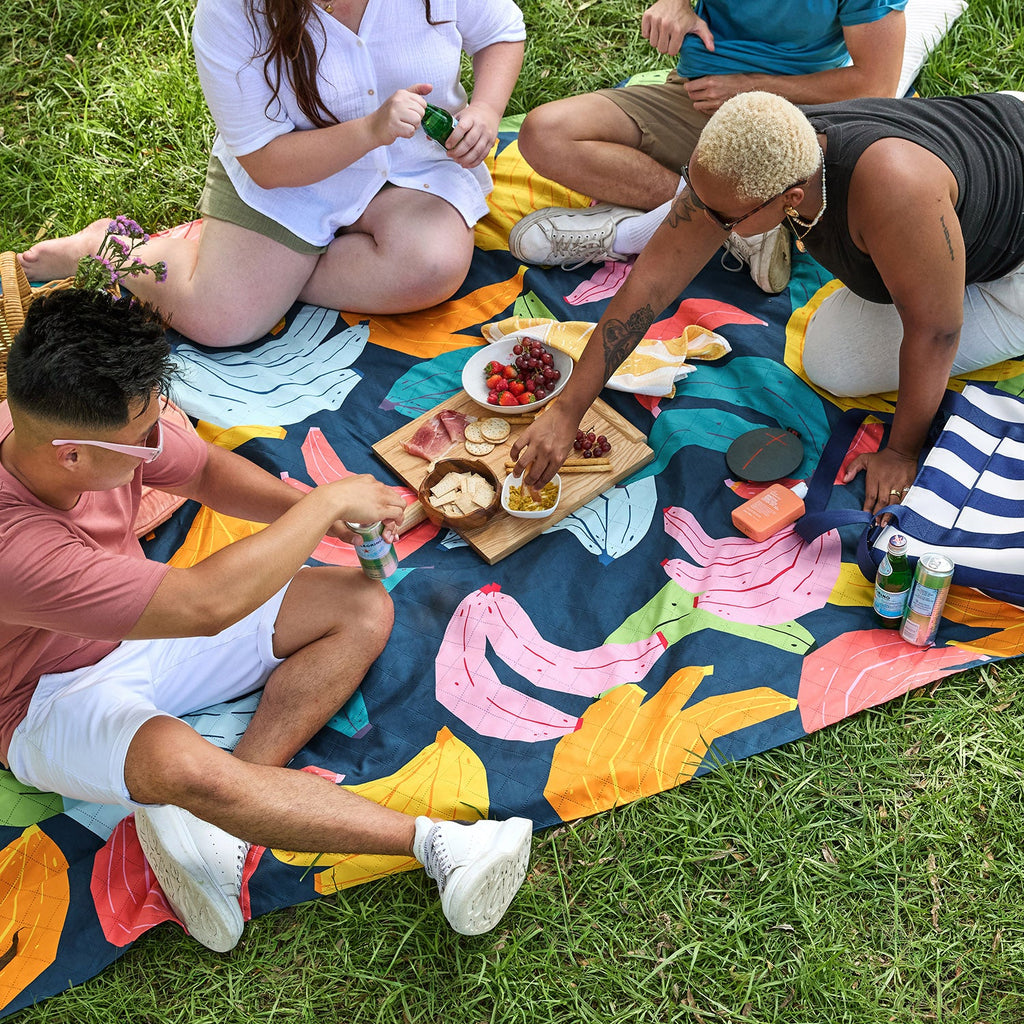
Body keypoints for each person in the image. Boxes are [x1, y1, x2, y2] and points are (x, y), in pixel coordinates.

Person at [0, 288, 532, 952]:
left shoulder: (77, 420)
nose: (157, 445)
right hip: (46, 697)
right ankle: (440, 846)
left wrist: (316, 515)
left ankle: (216, 821)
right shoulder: (14, 548)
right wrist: (322, 505)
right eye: (142, 441)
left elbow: (202, 473)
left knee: (359, 603)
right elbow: (203, 606)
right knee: (189, 771)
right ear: (71, 455)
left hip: (139, 627)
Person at [510, 90, 1024, 515]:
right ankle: (932, 272)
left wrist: (901, 451)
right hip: (979, 167)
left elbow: (938, 331)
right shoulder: (771, 145)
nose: (703, 221)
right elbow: (650, 286)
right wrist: (567, 408)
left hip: (1012, 267)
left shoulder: (894, 191)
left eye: (724, 219)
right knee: (829, 353)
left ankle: (949, 279)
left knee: (857, 355)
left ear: (790, 200)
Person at [17, 0, 525, 348]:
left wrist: (485, 110)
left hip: (412, 168)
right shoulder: (230, 12)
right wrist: (370, 130)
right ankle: (111, 247)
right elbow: (265, 162)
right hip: (292, 176)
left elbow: (500, 32)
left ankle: (263, 275)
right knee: (223, 321)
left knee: (433, 266)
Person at [508, 0, 906, 293]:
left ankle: (632, 233)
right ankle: (739, 226)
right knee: (545, 133)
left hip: (789, 122)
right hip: (696, 100)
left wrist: (750, 86)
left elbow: (876, 85)